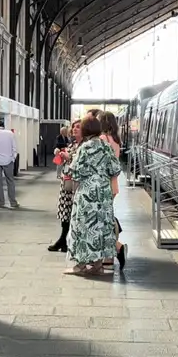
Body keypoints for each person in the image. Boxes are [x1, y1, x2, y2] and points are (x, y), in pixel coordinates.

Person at [64, 116, 121, 276]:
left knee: (82, 227)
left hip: (87, 192)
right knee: (100, 227)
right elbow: (116, 168)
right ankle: (97, 265)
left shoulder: (85, 147)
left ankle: (80, 266)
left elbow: (75, 171)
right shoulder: (105, 145)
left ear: (86, 129)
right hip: (103, 192)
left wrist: (67, 164)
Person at [98, 111, 127, 269]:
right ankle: (109, 255)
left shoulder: (102, 139)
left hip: (104, 184)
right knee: (106, 218)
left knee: (102, 220)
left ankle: (116, 248)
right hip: (113, 184)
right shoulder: (116, 140)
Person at [48, 120, 82, 252]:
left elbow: (79, 162)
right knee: (65, 213)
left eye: (78, 127)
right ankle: (63, 240)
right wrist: (61, 154)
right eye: (73, 127)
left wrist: (68, 156)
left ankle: (64, 240)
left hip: (75, 184)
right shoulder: (73, 143)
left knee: (71, 213)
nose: (74, 129)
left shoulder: (84, 145)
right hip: (67, 182)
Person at [0, 120, 19, 208]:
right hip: (8, 160)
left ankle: (1, 202)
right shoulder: (10, 133)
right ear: (3, 125)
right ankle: (13, 202)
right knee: (10, 181)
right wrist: (13, 158)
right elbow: (14, 147)